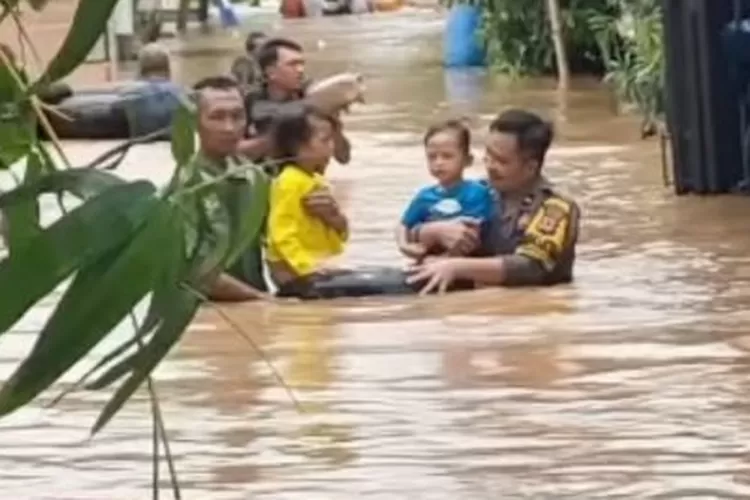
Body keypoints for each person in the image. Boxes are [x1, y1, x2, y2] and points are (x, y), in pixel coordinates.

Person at [406, 109, 580, 294]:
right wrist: (434, 232)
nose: (489, 165)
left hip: (529, 307)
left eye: (501, 161)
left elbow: (530, 267)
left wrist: (457, 266)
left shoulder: (555, 206)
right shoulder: (479, 192)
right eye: (488, 155)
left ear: (530, 167)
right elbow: (413, 232)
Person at [265, 105, 349, 297]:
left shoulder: (316, 181)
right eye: (325, 141)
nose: (331, 148)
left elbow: (334, 233)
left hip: (319, 266)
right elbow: (281, 235)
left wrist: (337, 222)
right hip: (298, 272)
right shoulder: (289, 181)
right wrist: (306, 268)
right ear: (298, 146)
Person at [238, 37, 350, 165]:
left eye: (302, 64)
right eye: (292, 64)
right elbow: (230, 153)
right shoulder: (249, 102)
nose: (300, 70)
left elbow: (343, 157)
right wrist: (276, 136)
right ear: (271, 72)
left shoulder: (312, 98)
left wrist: (335, 126)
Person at [396, 119, 495, 260]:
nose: (439, 163)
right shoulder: (424, 197)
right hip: (430, 260)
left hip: (467, 264)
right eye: (432, 157)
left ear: (467, 160)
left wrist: (445, 259)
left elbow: (475, 234)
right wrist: (404, 246)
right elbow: (403, 225)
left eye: (447, 156)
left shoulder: (478, 193)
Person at [124, 43, 185, 137]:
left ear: (140, 68)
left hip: (140, 148)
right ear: (168, 67)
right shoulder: (184, 94)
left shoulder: (129, 95)